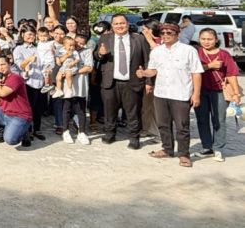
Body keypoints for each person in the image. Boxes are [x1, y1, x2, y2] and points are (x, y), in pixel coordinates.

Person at [140, 22, 203, 167]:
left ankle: (184, 154)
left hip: (180, 93)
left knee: (182, 126)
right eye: (163, 33)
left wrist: (196, 94)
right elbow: (153, 70)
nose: (166, 36)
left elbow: (196, 73)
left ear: (177, 34)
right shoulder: (157, 51)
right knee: (163, 124)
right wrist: (144, 73)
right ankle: (167, 149)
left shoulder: (188, 50)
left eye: (170, 33)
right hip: (161, 93)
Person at [95, 13, 149, 149]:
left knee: (133, 112)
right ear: (112, 26)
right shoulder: (105, 38)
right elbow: (96, 56)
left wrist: (148, 81)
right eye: (116, 24)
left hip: (132, 82)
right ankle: (109, 134)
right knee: (109, 111)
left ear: (127, 24)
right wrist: (100, 54)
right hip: (110, 81)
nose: (119, 26)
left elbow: (147, 61)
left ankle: (134, 137)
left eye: (122, 23)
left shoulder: (138, 39)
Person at [194, 28, 241, 162]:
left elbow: (231, 74)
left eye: (209, 39)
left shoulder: (224, 54)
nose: (206, 42)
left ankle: (218, 148)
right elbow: (191, 70)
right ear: (199, 39)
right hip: (200, 91)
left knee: (219, 120)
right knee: (202, 119)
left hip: (219, 91)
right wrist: (210, 65)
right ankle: (207, 147)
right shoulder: (195, 53)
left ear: (216, 40)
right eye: (203, 39)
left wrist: (236, 93)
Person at [0, 54, 33, 146]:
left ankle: (25, 131)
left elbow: (3, 93)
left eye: (3, 64)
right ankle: (2, 129)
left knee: (10, 140)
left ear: (9, 64)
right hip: (4, 112)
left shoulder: (15, 78)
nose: (0, 67)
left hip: (19, 115)